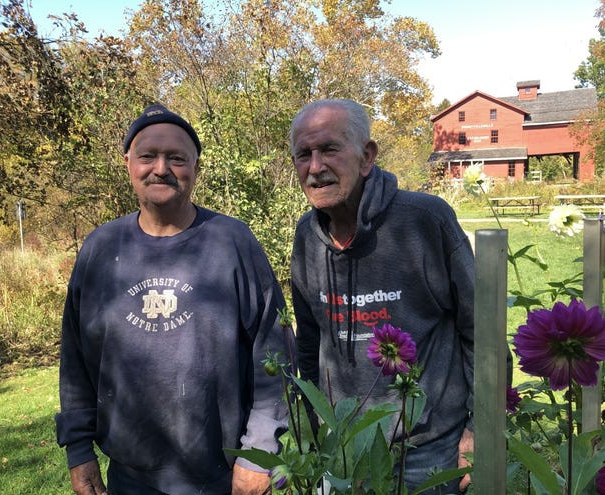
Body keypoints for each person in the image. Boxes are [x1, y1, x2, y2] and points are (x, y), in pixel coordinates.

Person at [55, 104, 290, 495]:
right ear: (128, 163)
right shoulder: (99, 249)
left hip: (223, 476)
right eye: (148, 156)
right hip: (129, 478)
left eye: (176, 158)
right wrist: (79, 450)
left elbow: (274, 351)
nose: (161, 168)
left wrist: (259, 453)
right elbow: (75, 360)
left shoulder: (232, 242)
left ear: (196, 169)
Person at [289, 99, 474, 493]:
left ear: (367, 156)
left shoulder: (427, 221)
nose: (316, 166)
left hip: (427, 452)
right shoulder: (306, 237)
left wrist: (479, 432)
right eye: (304, 154)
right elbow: (308, 345)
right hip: (342, 450)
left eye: (330, 149)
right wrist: (316, 432)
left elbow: (481, 331)